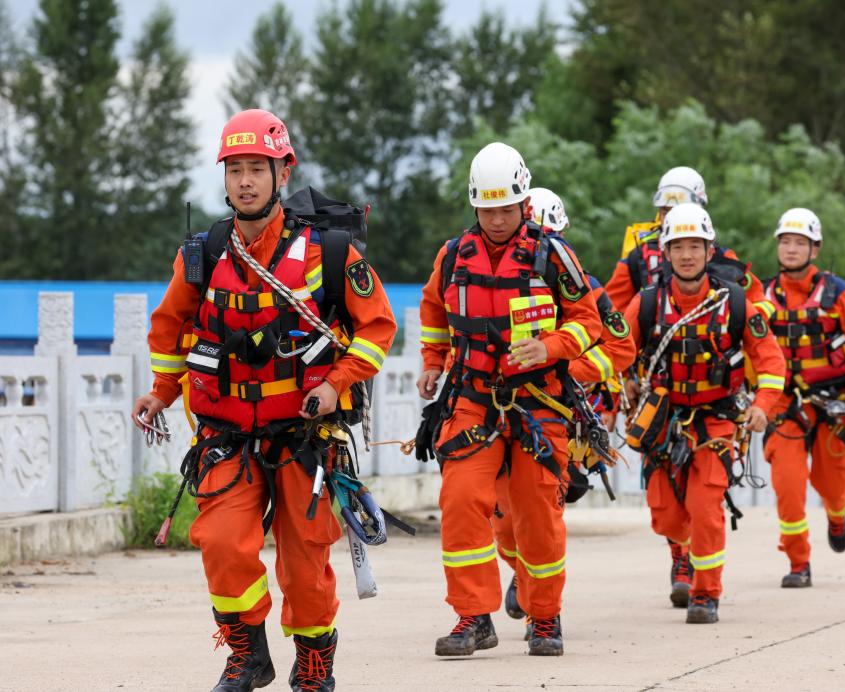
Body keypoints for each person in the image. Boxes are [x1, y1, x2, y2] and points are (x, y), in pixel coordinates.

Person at [131, 109, 396, 691]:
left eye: (258, 168)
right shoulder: (200, 255)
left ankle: (313, 662)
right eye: (235, 169)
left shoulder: (330, 252)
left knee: (305, 566)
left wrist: (336, 383)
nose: (245, 181)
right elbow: (168, 327)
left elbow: (378, 328)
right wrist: (161, 390)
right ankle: (248, 653)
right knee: (223, 546)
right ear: (223, 179)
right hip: (226, 436)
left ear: (283, 172)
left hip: (306, 439)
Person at [416, 143, 603, 657]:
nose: (496, 218)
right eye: (487, 208)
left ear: (524, 204)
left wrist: (550, 346)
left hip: (539, 403)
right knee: (459, 502)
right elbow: (434, 309)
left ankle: (545, 618)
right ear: (475, 206)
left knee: (537, 514)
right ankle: (473, 617)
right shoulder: (453, 255)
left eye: (506, 208)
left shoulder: (553, 254)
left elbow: (589, 322)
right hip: (472, 398)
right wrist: (433, 362)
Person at [623, 203, 786, 624]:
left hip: (716, 418)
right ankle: (685, 552)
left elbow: (770, 362)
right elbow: (613, 350)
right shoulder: (645, 305)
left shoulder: (734, 304)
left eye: (696, 245)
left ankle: (705, 594)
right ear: (667, 251)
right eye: (679, 246)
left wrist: (763, 408)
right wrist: (615, 385)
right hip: (662, 421)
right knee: (667, 519)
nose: (688, 254)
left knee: (706, 506)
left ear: (709, 250)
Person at [491, 187, 636, 629]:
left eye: (546, 236)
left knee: (541, 514)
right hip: (496, 412)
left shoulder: (586, 288)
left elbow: (621, 345)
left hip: (555, 413)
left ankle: (542, 604)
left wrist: (574, 369)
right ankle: (523, 575)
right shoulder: (486, 278)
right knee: (502, 522)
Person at [761, 208, 845, 588]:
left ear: (815, 249)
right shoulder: (763, 295)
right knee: (788, 482)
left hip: (835, 400)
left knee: (832, 481)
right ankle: (799, 562)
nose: (792, 249)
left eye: (800, 243)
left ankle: (836, 516)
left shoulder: (839, 293)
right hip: (785, 404)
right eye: (786, 242)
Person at [605, 166, 767, 313]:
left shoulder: (724, 260)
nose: (671, 218)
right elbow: (611, 317)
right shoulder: (637, 260)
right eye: (665, 211)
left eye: (678, 210)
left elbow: (759, 305)